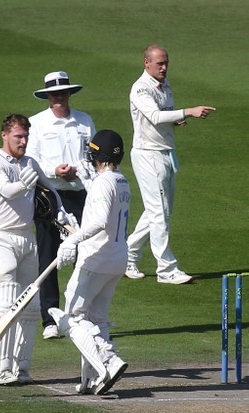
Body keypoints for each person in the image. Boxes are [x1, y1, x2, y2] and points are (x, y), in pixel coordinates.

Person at [0, 114, 75, 385]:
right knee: (6, 298)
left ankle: (21, 367)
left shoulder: (30, 163)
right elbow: (8, 191)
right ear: (4, 135)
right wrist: (24, 183)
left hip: (26, 238)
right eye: (18, 136)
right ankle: (0, 369)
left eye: (26, 137)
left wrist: (64, 215)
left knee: (30, 306)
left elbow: (50, 190)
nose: (23, 141)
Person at [125, 44, 216, 283]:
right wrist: (187, 111)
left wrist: (175, 121)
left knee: (161, 211)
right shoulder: (140, 88)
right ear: (146, 63)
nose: (164, 67)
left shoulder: (165, 85)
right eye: (159, 63)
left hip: (166, 152)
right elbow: (154, 116)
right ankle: (166, 269)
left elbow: (162, 115)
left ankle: (128, 254)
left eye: (166, 63)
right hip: (148, 154)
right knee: (159, 213)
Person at [48, 129, 130, 395]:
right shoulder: (121, 180)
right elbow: (103, 207)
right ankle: (91, 379)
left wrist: (72, 241)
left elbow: (99, 221)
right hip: (117, 260)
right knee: (97, 319)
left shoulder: (104, 183)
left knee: (70, 317)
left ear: (96, 154)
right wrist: (88, 181)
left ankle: (108, 360)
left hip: (96, 259)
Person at [26, 71, 96, 339]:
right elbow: (31, 162)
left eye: (63, 93)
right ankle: (50, 320)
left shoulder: (84, 121)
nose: (59, 97)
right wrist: (55, 171)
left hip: (81, 196)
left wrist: (79, 170)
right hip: (48, 198)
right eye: (54, 94)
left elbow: (93, 157)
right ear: (47, 97)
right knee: (49, 258)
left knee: (86, 256)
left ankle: (80, 315)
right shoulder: (36, 124)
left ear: (69, 94)